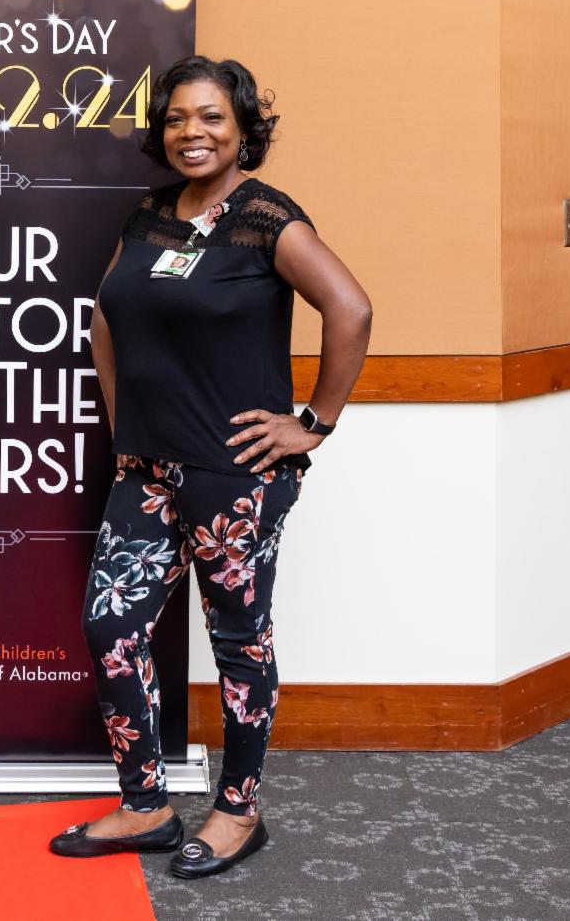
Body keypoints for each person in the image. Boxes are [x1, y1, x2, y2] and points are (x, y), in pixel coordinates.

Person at [49, 56, 372, 878]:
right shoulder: (150, 213)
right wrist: (124, 425)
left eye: (211, 117)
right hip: (148, 469)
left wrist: (313, 423)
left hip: (235, 477)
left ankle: (238, 809)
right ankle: (147, 805)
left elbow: (351, 307)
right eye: (176, 119)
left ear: (242, 128)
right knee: (112, 627)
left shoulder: (267, 218)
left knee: (237, 640)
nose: (192, 132)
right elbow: (106, 317)